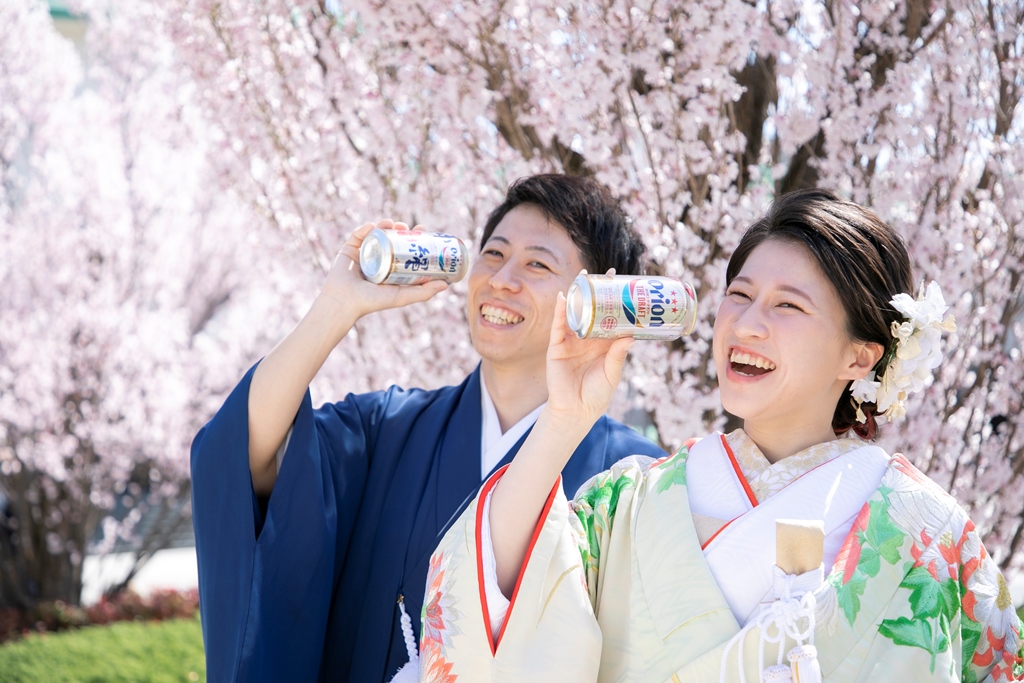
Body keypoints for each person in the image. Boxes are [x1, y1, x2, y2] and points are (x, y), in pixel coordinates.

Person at [421, 189, 1024, 682]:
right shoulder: (630, 499)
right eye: (739, 295)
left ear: (860, 357)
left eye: (788, 306)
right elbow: (495, 607)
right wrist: (562, 422)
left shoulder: (930, 535)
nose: (746, 324)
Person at [189, 174, 666, 683]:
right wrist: (337, 306)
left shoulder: (633, 479)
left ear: (599, 299)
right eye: (494, 253)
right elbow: (242, 457)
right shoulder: (388, 430)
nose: (501, 279)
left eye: (537, 264)